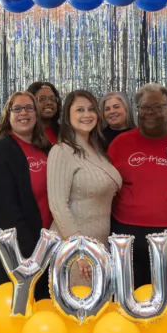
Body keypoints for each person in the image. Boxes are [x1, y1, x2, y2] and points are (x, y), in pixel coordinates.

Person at [107, 84, 167, 307]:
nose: (150, 112)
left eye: (157, 106)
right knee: (132, 298)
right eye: (144, 107)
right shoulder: (119, 144)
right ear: (137, 110)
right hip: (128, 237)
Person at [0, 91, 53, 298]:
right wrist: (32, 252)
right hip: (17, 252)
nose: (23, 113)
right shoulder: (0, 150)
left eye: (29, 108)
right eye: (17, 108)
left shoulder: (45, 148)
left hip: (43, 247)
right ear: (7, 115)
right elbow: (2, 210)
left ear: (36, 114)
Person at [48, 90, 122, 287]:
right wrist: (79, 249)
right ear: (67, 116)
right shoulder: (61, 150)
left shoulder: (97, 149)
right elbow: (58, 206)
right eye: (79, 110)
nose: (86, 114)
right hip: (74, 250)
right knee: (78, 313)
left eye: (91, 109)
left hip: (99, 244)